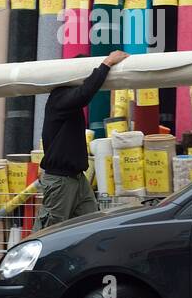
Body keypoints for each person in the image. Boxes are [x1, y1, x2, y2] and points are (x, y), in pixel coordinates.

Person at [35, 49, 129, 229]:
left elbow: (84, 92)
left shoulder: (69, 101)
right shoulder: (60, 98)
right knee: (49, 233)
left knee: (92, 226)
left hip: (77, 178)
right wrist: (106, 64)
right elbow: (85, 93)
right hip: (60, 180)